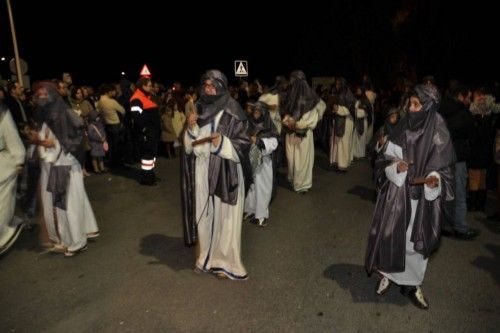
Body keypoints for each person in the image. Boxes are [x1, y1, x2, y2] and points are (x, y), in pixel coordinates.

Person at [365, 84, 455, 310]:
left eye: (417, 104)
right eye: (410, 104)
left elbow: (445, 170)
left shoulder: (439, 132)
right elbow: (383, 161)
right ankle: (387, 274)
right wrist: (397, 167)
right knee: (391, 235)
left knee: (415, 242)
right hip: (397, 195)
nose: (411, 109)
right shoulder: (402, 126)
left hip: (423, 199)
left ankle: (413, 284)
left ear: (428, 107)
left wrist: (434, 179)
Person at [181, 69, 252, 280]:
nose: (209, 90)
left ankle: (226, 263)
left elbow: (244, 144)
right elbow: (189, 147)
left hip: (226, 169)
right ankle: (206, 257)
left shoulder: (232, 109)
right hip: (203, 170)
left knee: (226, 219)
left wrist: (222, 143)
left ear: (221, 87)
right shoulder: (199, 109)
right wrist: (191, 129)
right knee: (205, 216)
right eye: (206, 86)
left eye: (213, 86)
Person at [32, 81, 99, 257]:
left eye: (44, 94)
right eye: (39, 95)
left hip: (65, 163)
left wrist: (49, 144)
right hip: (55, 164)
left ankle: (77, 241)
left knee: (70, 204)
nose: (41, 98)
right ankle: (75, 236)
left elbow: (72, 138)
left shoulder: (62, 112)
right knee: (67, 204)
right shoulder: (45, 114)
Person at [282, 70, 325, 193]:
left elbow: (317, 112)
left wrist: (299, 124)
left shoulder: (311, 98)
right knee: (291, 160)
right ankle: (293, 179)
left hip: (303, 135)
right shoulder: (291, 97)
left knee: (302, 161)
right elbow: (286, 113)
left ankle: (302, 185)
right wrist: (287, 121)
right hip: (291, 134)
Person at [243, 101, 279, 227]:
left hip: (264, 164)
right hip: (250, 163)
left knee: (263, 189)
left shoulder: (269, 125)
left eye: (259, 111)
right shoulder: (249, 123)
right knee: (251, 188)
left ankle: (261, 216)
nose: (256, 113)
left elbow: (274, 142)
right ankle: (250, 210)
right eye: (255, 111)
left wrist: (259, 141)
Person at [0, 103, 26, 255]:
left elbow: (11, 135)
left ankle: (4, 234)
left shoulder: (2, 113)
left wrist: (18, 159)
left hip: (3, 166)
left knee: (3, 205)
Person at [130, 77, 161, 185]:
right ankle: (146, 179)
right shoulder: (137, 98)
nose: (151, 87)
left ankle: (150, 174)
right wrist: (146, 128)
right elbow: (137, 116)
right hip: (147, 132)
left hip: (151, 131)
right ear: (143, 86)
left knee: (151, 155)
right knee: (147, 155)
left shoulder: (145, 96)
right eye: (149, 85)